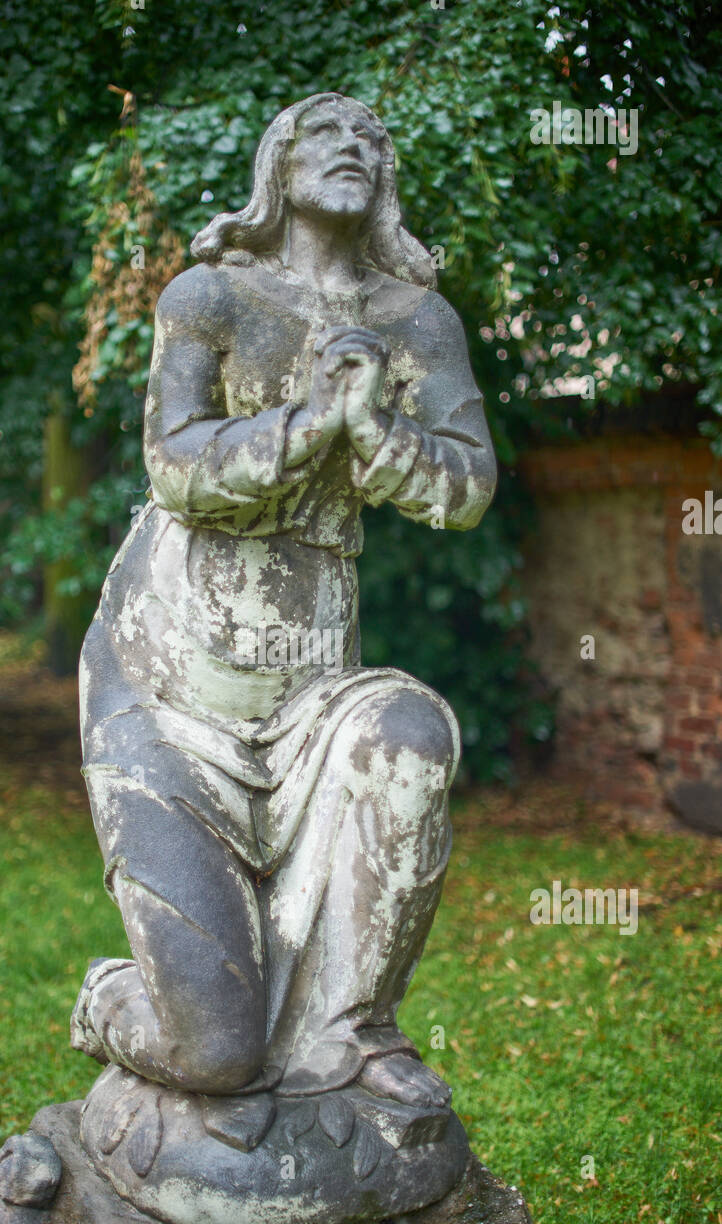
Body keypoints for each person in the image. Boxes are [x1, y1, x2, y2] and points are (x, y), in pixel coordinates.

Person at [72, 92, 496, 1113]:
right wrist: (312, 424)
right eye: (324, 133)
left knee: (406, 734)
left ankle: (355, 1029)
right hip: (169, 693)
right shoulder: (211, 296)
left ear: (384, 177)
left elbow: (468, 485)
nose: (351, 145)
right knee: (214, 1049)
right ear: (278, 165)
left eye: (370, 138)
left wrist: (373, 432)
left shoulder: (415, 320)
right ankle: (114, 1003)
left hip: (313, 692)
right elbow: (173, 466)